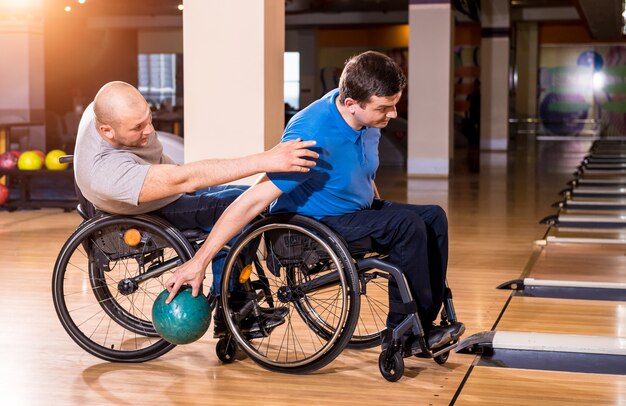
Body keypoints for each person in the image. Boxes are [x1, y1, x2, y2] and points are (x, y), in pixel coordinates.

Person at [165, 51, 464, 350]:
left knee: (433, 217)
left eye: (395, 104)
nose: (394, 114)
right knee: (407, 226)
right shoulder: (310, 137)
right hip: (309, 227)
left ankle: (424, 323)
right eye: (385, 107)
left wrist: (377, 204)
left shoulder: (367, 118)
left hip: (353, 212)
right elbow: (254, 200)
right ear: (351, 105)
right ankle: (405, 336)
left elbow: (362, 168)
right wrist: (199, 260)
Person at [73, 81, 318, 335]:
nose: (149, 129)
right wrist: (266, 159)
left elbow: (178, 176)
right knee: (239, 208)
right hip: (142, 209)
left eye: (149, 118)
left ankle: (232, 293)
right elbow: (184, 179)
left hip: (158, 185)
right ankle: (230, 310)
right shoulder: (104, 171)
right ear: (106, 131)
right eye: (137, 127)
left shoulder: (104, 109)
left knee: (245, 196)